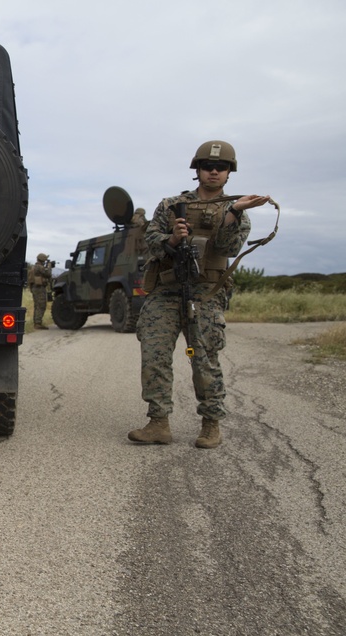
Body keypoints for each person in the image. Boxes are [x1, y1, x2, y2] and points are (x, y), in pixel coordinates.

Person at [128, 140, 269, 449]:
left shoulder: (238, 210)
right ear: (198, 170)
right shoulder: (170, 205)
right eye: (208, 166)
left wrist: (231, 214)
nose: (214, 171)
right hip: (166, 291)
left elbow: (228, 249)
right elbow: (149, 240)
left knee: (199, 357)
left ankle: (210, 423)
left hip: (205, 294)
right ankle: (158, 422)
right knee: (156, 355)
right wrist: (173, 239)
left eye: (221, 167)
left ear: (230, 173)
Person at [30, 253, 53, 329]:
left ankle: (37, 322)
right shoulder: (39, 267)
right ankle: (38, 323)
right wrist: (49, 266)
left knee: (37, 305)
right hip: (39, 288)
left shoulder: (34, 267)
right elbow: (48, 274)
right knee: (41, 305)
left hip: (35, 288)